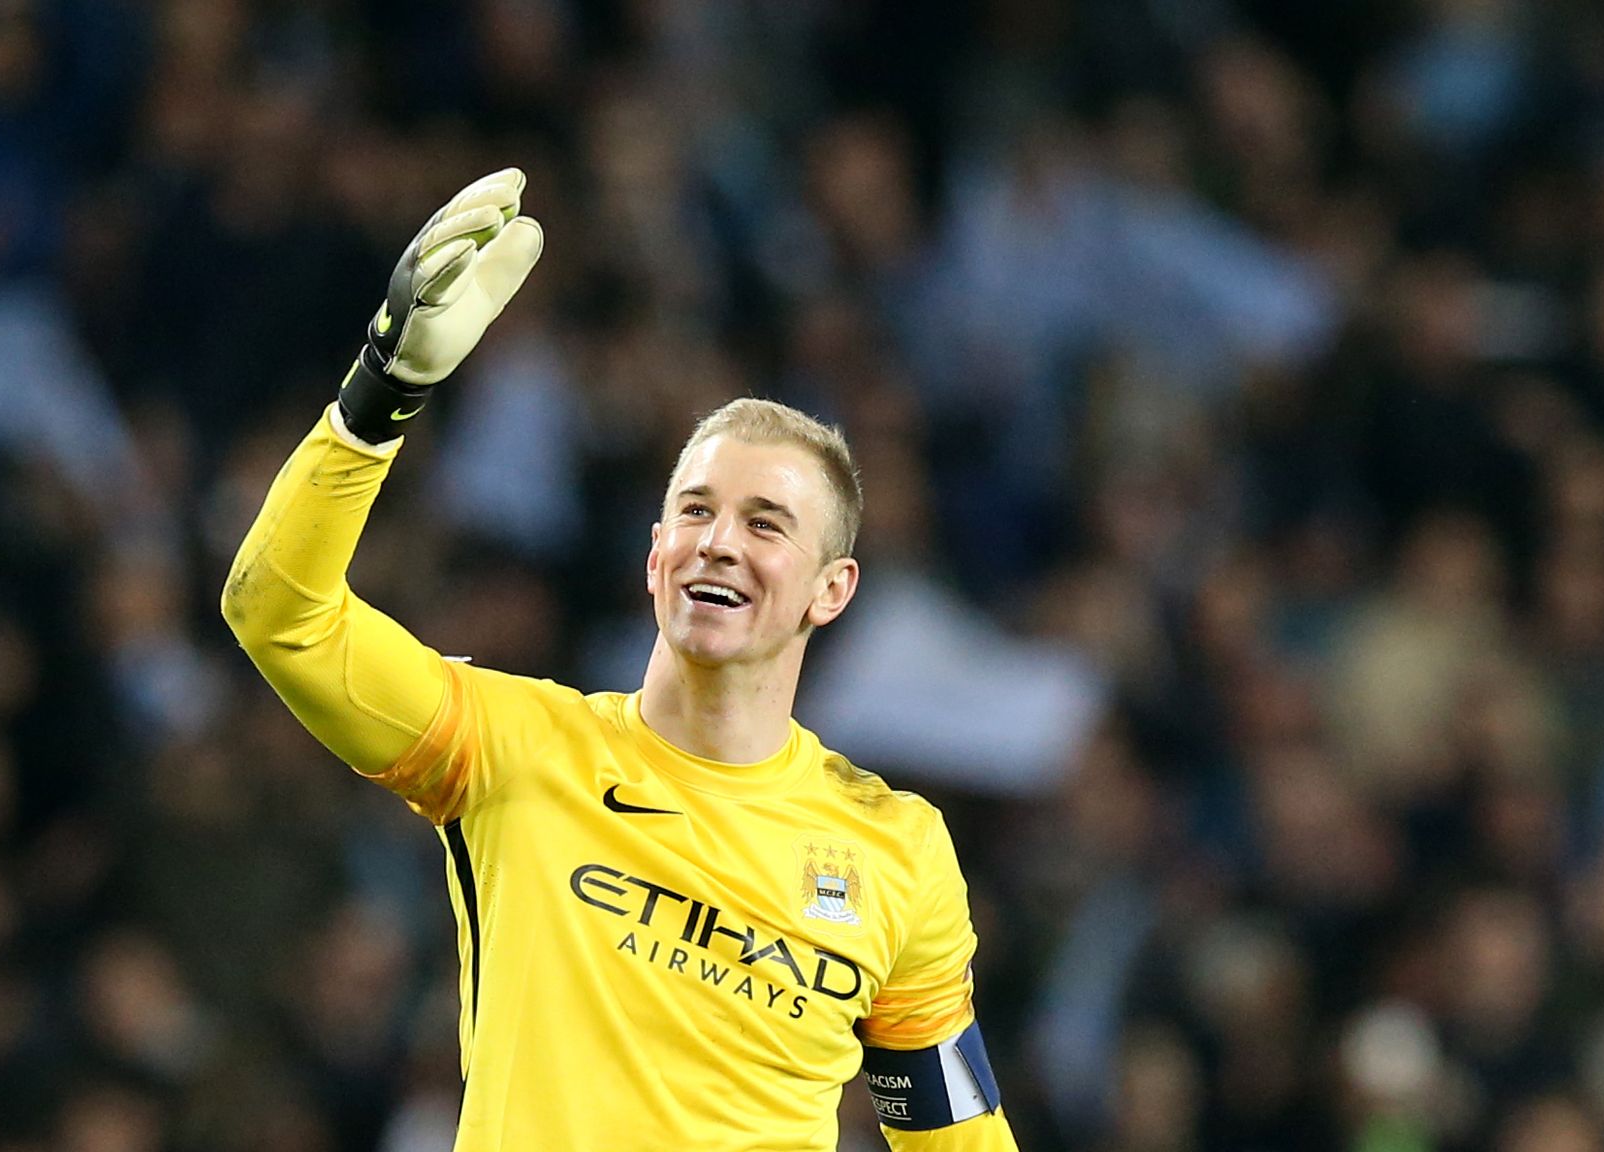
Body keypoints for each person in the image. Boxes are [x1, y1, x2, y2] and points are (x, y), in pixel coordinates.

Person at [222, 169, 1019, 1151]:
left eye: (763, 523)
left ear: (831, 590)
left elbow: (953, 1136)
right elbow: (278, 615)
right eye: (695, 512)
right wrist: (379, 395)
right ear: (654, 557)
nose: (718, 542)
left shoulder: (896, 852)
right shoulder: (513, 749)